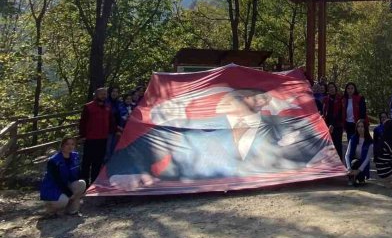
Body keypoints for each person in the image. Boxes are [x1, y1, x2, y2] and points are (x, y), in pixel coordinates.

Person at [106, 86, 336, 191]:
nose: (254, 102)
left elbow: (314, 151)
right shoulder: (196, 129)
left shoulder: (285, 126)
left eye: (259, 99)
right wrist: (131, 170)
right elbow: (149, 148)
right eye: (240, 98)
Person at [79, 86, 117, 186]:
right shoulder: (88, 107)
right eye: (102, 94)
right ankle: (84, 183)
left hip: (103, 138)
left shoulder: (108, 107)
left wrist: (116, 131)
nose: (104, 96)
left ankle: (94, 182)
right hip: (90, 138)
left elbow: (111, 122)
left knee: (98, 161)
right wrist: (82, 135)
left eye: (105, 94)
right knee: (87, 162)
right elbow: (83, 122)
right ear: (96, 95)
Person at [40, 137, 86, 217]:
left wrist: (77, 193)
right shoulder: (53, 161)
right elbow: (57, 180)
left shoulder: (75, 156)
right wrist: (69, 193)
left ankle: (72, 210)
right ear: (62, 146)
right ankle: (51, 209)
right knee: (63, 200)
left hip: (65, 184)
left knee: (81, 184)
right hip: (52, 188)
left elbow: (77, 173)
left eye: (72, 144)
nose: (70, 146)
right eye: (67, 144)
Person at [345, 120, 373, 186]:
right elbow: (347, 155)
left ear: (365, 128)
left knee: (361, 181)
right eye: (358, 126)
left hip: (363, 164)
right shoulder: (352, 139)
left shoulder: (369, 141)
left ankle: (360, 177)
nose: (360, 129)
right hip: (353, 162)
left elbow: (367, 159)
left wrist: (359, 170)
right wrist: (349, 168)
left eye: (362, 127)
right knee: (354, 162)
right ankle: (351, 177)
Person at [322, 82, 344, 157]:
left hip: (337, 125)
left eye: (333, 87)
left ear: (335, 88)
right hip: (327, 125)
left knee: (337, 146)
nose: (331, 89)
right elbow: (324, 112)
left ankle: (340, 164)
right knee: (328, 147)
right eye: (329, 87)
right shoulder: (325, 99)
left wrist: (333, 124)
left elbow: (340, 113)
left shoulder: (340, 99)